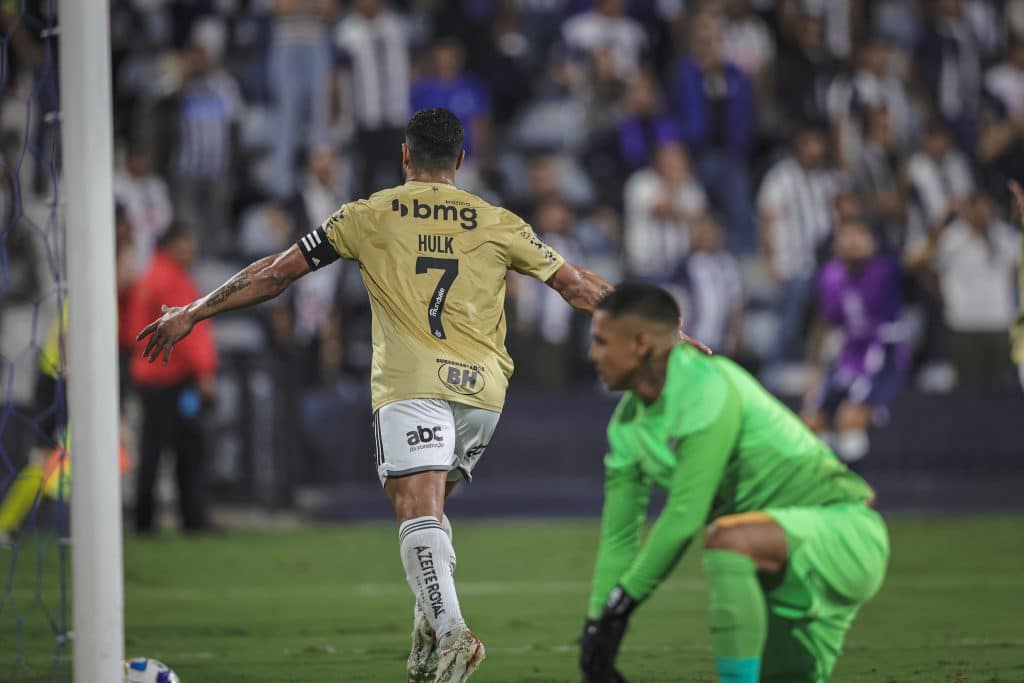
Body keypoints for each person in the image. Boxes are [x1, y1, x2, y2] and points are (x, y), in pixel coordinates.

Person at [135, 108, 616, 683]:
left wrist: (195, 311)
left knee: (415, 511)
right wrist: (659, 330)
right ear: (460, 160)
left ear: (406, 156)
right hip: (484, 395)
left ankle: (455, 634)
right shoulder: (498, 220)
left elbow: (277, 273)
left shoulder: (366, 214)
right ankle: (426, 634)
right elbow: (577, 285)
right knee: (431, 513)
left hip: (412, 382)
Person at [580, 283, 888, 683]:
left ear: (640, 344)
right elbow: (619, 540)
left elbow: (685, 516)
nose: (593, 355)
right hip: (779, 567)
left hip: (843, 534)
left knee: (726, 540)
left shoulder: (707, 384)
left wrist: (621, 606)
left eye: (601, 342)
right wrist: (596, 629)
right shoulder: (626, 427)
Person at [129, 226, 218, 534]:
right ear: (171, 245)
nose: (191, 250)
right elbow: (190, 332)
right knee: (187, 449)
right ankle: (192, 518)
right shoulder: (171, 279)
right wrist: (205, 372)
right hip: (171, 378)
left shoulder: (150, 274)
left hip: (150, 376)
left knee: (153, 450)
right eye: (185, 243)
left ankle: (144, 519)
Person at [803, 218, 908, 470]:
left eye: (858, 235)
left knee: (849, 418)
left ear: (871, 243)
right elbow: (824, 324)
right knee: (810, 422)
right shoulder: (829, 277)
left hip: (882, 353)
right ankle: (825, 488)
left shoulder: (884, 270)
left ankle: (856, 494)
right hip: (848, 354)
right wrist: (814, 370)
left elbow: (916, 258)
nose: (851, 242)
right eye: (846, 235)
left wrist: (940, 227)